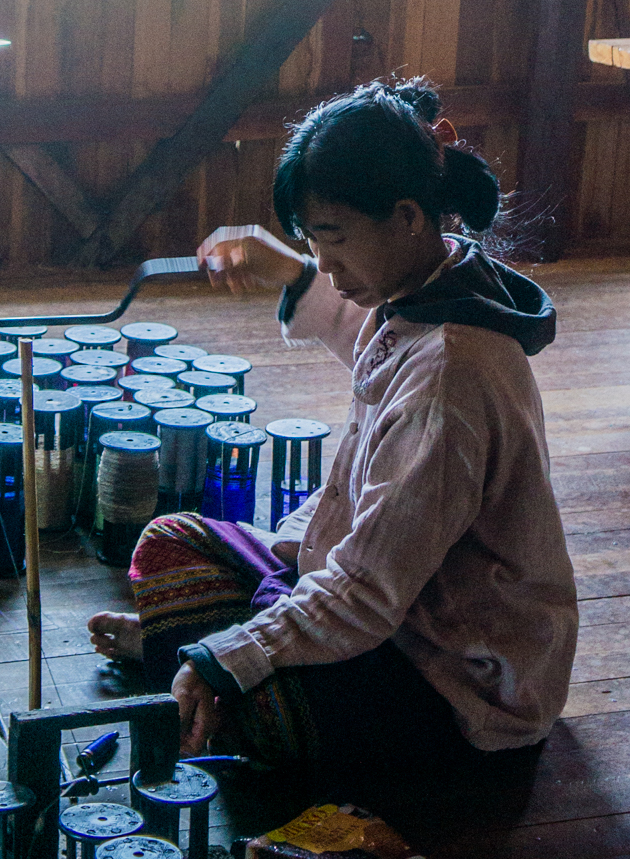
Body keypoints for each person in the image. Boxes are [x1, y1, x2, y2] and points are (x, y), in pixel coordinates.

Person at [87, 80, 577, 789]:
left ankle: (191, 665)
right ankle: (193, 662)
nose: (326, 265)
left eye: (334, 239)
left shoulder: (450, 379)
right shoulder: (428, 289)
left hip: (458, 679)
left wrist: (229, 655)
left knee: (251, 697)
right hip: (394, 610)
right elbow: (368, 340)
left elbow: (367, 595)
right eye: (313, 243)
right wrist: (287, 268)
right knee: (172, 543)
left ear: (407, 217)